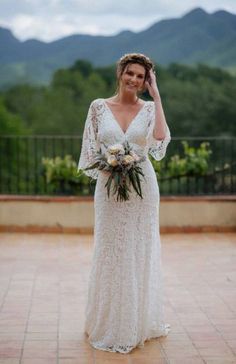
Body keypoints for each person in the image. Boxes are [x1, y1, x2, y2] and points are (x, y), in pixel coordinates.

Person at [78, 53, 171, 354]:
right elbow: (90, 150)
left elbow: (158, 140)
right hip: (108, 186)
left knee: (139, 249)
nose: (134, 80)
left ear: (146, 82)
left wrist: (156, 97)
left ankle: (137, 322)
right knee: (110, 249)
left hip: (143, 187)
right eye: (130, 73)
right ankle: (109, 322)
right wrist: (109, 165)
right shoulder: (97, 107)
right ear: (120, 73)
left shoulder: (148, 109)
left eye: (141, 77)